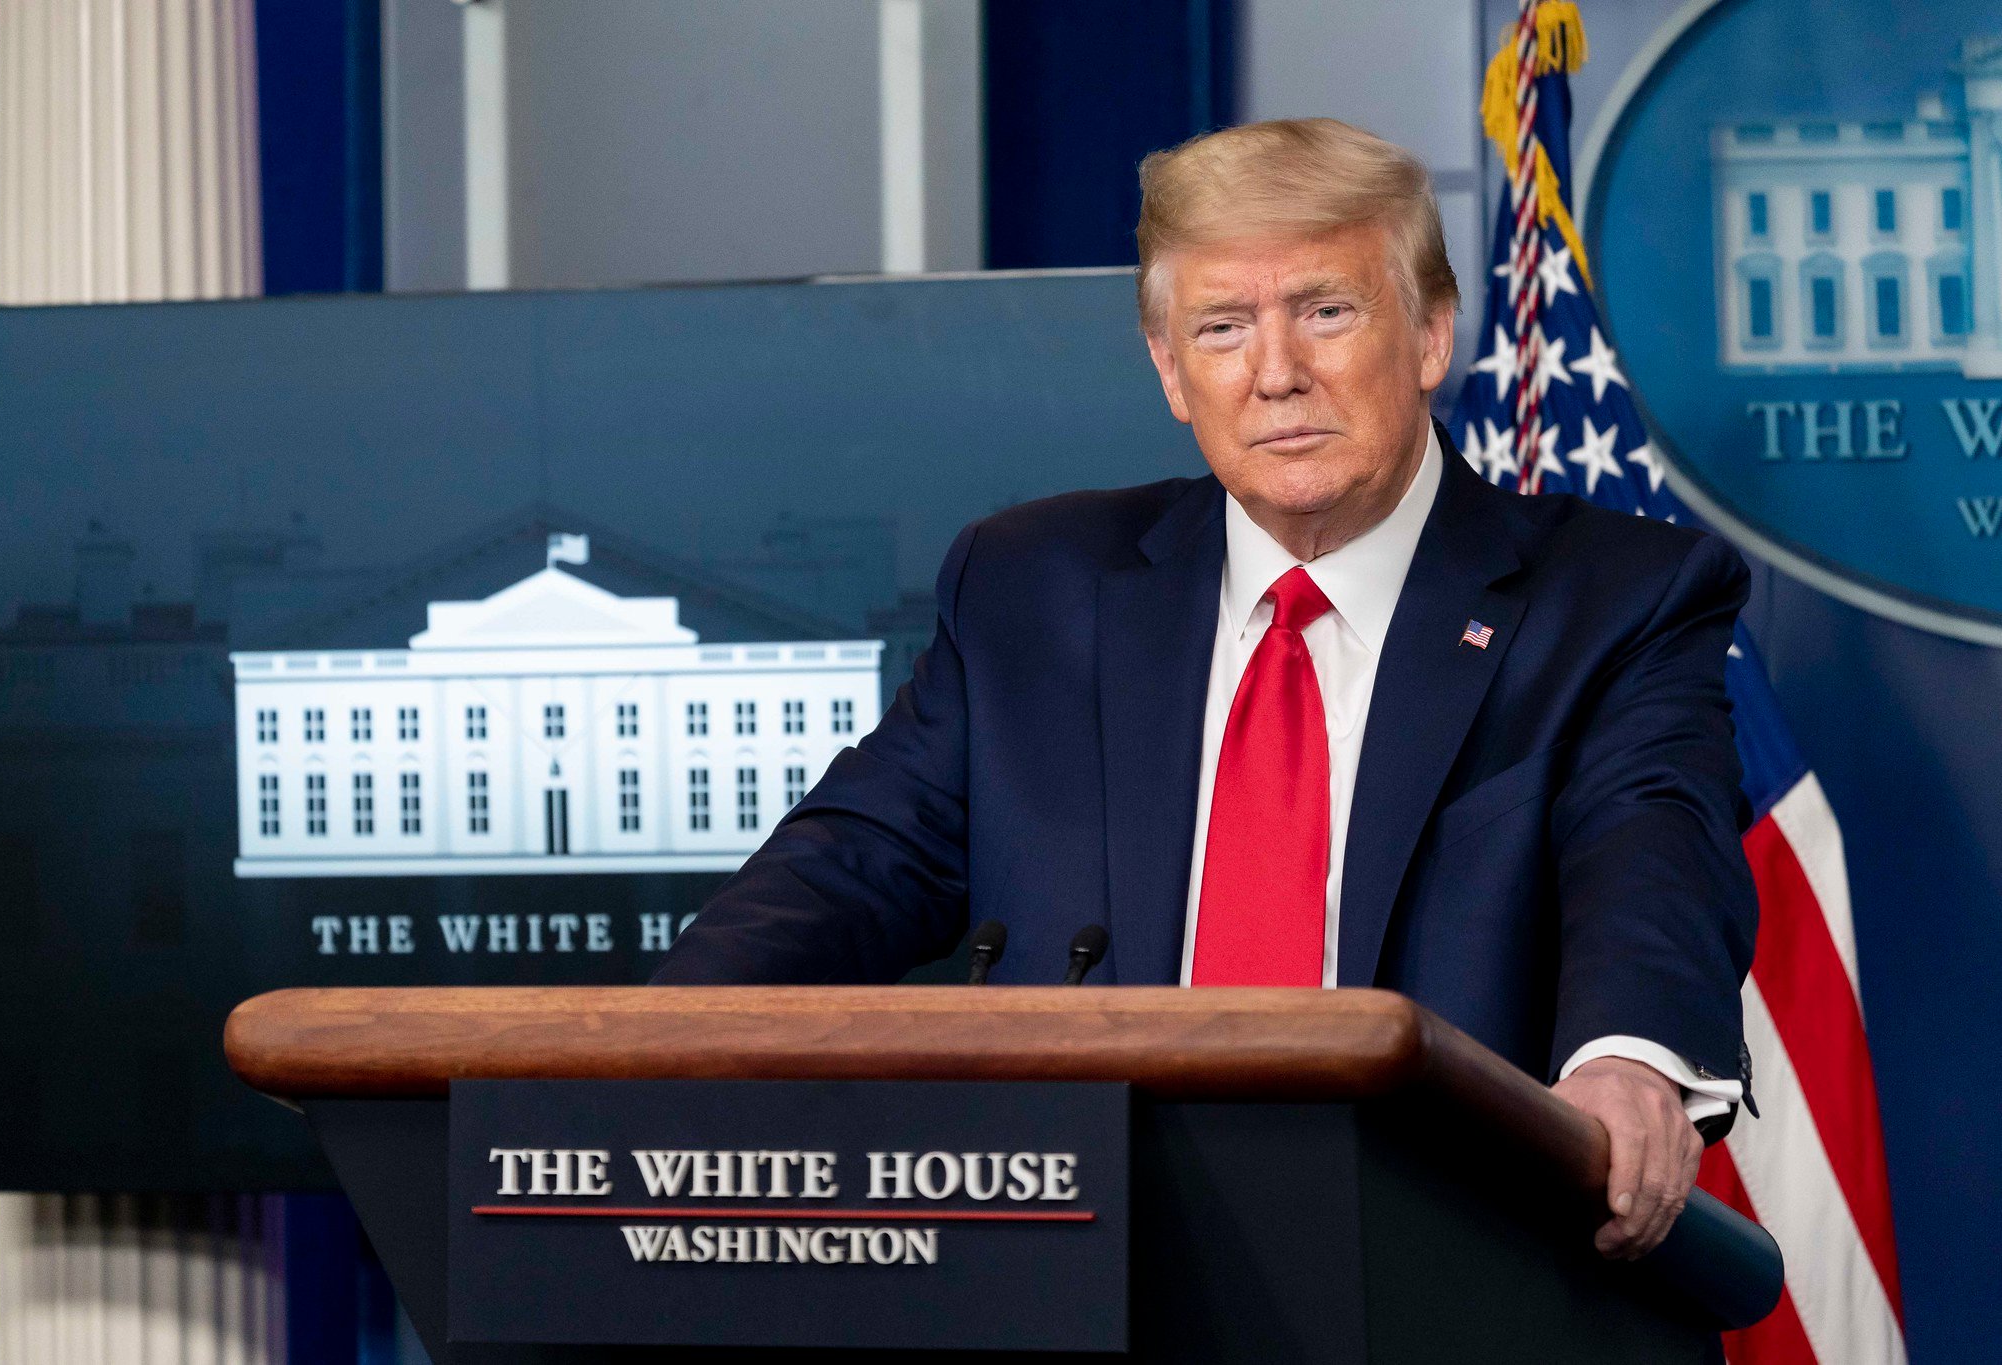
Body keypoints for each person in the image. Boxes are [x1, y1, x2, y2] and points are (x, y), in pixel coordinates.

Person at [654, 118, 1756, 1261]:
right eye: (1222, 329)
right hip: (1074, 1270)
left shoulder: (1614, 600)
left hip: (1445, 1264)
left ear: (1431, 335)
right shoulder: (1033, 589)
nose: (1276, 374)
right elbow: (850, 862)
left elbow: (1652, 852)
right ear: (1171, 371)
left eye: (1326, 312)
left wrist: (1627, 1066)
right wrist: (639, 1053)